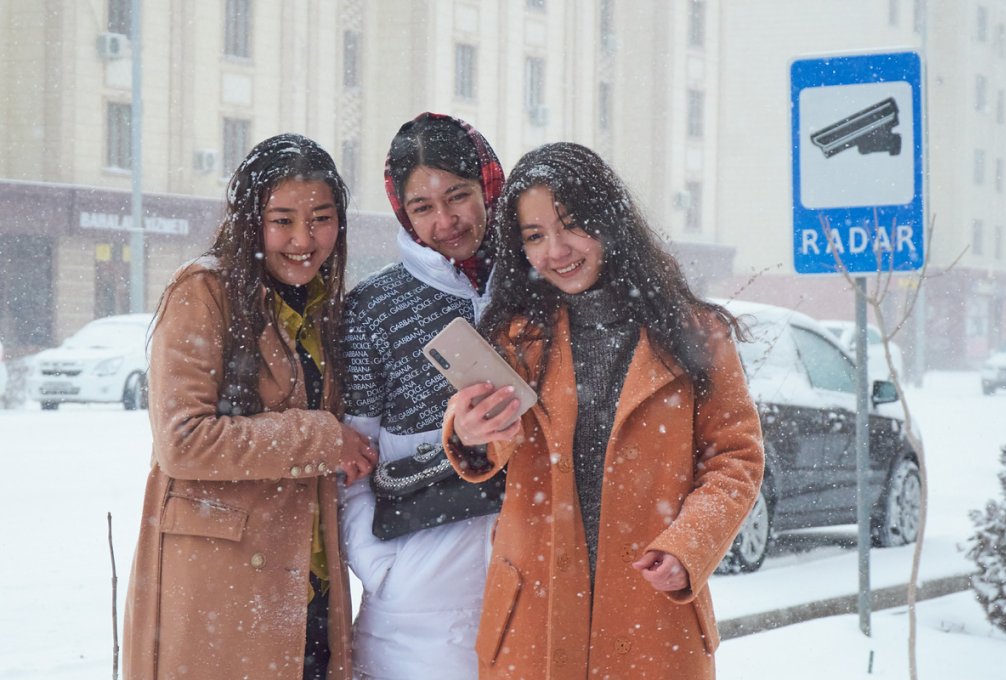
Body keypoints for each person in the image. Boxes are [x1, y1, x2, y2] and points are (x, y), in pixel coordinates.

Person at [443, 142, 765, 679]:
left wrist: (690, 544)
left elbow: (736, 459)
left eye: (572, 226)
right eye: (535, 237)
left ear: (608, 220)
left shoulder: (697, 335)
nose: (556, 250)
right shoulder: (516, 336)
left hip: (651, 618)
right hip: (532, 625)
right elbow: (491, 442)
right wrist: (470, 431)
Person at [123, 133, 378, 680]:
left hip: (305, 582)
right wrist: (323, 438)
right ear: (249, 220)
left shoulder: (322, 304)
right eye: (282, 220)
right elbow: (184, 442)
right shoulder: (204, 291)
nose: (303, 240)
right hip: (223, 585)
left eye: (321, 219)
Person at [338, 112, 505, 679]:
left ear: (487, 185)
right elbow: (351, 458)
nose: (446, 221)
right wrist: (381, 566)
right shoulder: (373, 308)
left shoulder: (537, 287)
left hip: (530, 579)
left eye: (458, 196)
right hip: (416, 608)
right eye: (422, 207)